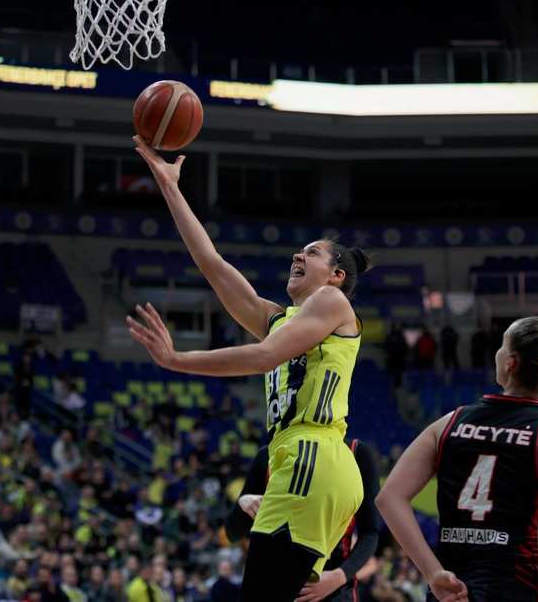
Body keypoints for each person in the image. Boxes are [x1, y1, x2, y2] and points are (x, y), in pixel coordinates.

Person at [126, 134, 371, 602]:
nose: (297, 255)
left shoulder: (331, 300)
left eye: (312, 253)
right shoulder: (278, 319)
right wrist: (170, 187)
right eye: (300, 250)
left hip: (312, 454)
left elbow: (264, 357)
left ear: (337, 275)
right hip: (297, 459)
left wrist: (177, 360)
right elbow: (212, 265)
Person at [375, 314, 538, 602]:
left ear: (510, 362)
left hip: (451, 591)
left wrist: (432, 572)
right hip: (514, 588)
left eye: (502, 345)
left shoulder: (450, 422)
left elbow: (389, 497)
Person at [225, 438, 381, 601]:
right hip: (276, 580)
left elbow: (370, 533)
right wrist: (243, 503)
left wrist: (338, 577)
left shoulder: (357, 453)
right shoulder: (268, 455)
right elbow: (232, 533)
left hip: (334, 585)